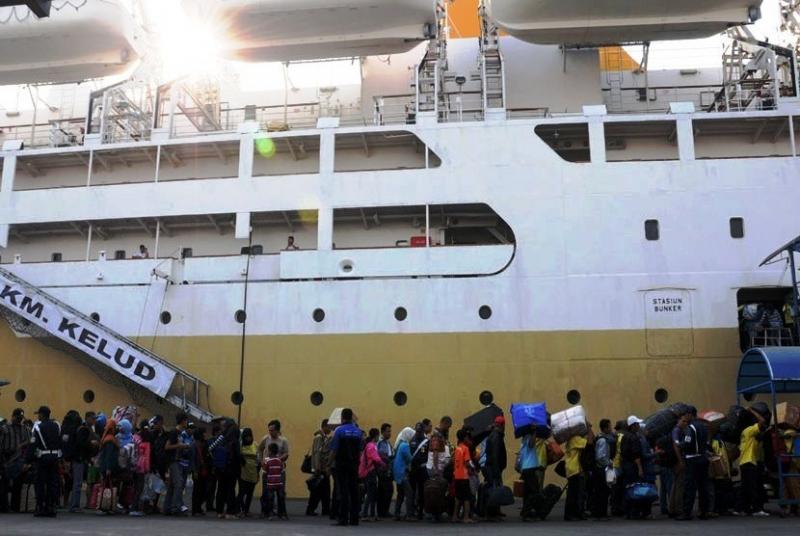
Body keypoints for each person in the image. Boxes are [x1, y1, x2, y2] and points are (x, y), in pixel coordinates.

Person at [734, 408, 770, 517]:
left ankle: (740, 509)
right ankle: (756, 509)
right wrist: (753, 411)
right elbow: (763, 422)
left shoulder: (747, 431)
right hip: (749, 462)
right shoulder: (749, 430)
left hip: (747, 462)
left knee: (745, 487)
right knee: (753, 487)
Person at [330, 408, 363, 527]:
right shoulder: (359, 431)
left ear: (342, 417)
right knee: (354, 491)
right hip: (354, 465)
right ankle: (354, 519)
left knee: (343, 491)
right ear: (352, 417)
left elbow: (334, 449)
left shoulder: (339, 430)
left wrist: (329, 463)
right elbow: (360, 450)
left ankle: (343, 519)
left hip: (341, 464)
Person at [679, 408, 711, 521]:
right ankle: (704, 511)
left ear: (689, 414)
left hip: (692, 460)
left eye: (684, 415)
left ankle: (686, 513)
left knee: (689, 487)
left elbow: (687, 443)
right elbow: (707, 443)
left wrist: (679, 444)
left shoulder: (690, 427)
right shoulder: (704, 426)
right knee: (703, 487)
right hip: (703, 458)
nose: (684, 418)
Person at [29, 406, 61, 517]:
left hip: (43, 458)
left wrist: (29, 459)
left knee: (40, 483)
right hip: (55, 457)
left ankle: (40, 507)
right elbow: (60, 441)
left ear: (42, 415)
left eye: (39, 414)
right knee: (52, 483)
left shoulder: (38, 427)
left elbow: (33, 444)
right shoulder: (56, 426)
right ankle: (51, 507)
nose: (38, 416)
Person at [1, 408, 31, 513]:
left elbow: (29, 446)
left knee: (17, 486)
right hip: (6, 461)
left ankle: (15, 506)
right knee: (4, 486)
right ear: (12, 416)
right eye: (17, 418)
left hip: (20, 462)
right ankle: (4, 507)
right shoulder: (4, 429)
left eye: (20, 418)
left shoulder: (26, 429)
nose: (19, 420)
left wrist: (27, 462)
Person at [163, 412, 192, 516]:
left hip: (177, 461)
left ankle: (167, 508)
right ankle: (175, 507)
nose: (187, 422)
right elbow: (167, 447)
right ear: (183, 421)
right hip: (173, 462)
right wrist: (180, 445)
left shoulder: (180, 433)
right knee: (179, 484)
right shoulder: (174, 432)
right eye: (186, 420)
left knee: (172, 485)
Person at [257, 420, 289, 514]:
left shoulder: (283, 440)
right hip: (267, 471)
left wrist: (277, 460)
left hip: (279, 471)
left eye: (272, 430)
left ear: (277, 430)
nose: (270, 432)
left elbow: (286, 454)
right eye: (269, 430)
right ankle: (265, 511)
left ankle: (281, 513)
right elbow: (259, 449)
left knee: (281, 493)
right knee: (266, 492)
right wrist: (261, 461)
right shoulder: (266, 439)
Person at [564, 424, 593, 521]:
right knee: (575, 493)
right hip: (575, 469)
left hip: (573, 468)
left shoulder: (572, 438)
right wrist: (589, 428)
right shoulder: (575, 439)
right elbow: (590, 441)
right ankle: (572, 514)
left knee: (575, 492)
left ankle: (574, 513)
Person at [620, 416, 647, 520]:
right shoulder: (634, 437)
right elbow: (636, 455)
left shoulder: (624, 436)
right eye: (637, 424)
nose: (639, 426)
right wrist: (640, 468)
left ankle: (628, 511)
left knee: (627, 488)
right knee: (635, 488)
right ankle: (634, 512)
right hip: (633, 466)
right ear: (633, 426)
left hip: (626, 466)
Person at [306, 419, 332, 517]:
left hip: (322, 468)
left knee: (323, 490)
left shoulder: (324, 437)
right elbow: (317, 453)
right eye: (329, 427)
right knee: (317, 491)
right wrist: (317, 468)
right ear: (324, 426)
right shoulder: (319, 437)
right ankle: (311, 509)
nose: (330, 429)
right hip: (320, 469)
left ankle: (325, 509)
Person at [360, 428, 386, 522]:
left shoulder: (371, 445)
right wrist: (383, 464)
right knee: (371, 494)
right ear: (375, 436)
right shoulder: (371, 446)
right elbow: (376, 458)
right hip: (370, 472)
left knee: (373, 493)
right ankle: (365, 514)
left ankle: (371, 514)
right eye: (378, 435)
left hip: (371, 472)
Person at [590, 419, 615, 519]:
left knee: (601, 492)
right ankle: (601, 513)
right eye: (609, 426)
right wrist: (609, 463)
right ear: (605, 428)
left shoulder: (600, 438)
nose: (611, 428)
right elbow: (600, 457)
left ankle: (600, 513)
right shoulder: (603, 440)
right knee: (603, 492)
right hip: (601, 470)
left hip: (600, 469)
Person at [669, 412, 691, 518]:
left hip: (678, 461)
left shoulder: (679, 430)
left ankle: (672, 508)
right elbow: (676, 446)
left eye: (686, 421)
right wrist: (680, 461)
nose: (685, 423)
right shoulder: (677, 430)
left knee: (676, 484)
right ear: (678, 420)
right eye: (683, 421)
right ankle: (678, 509)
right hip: (679, 461)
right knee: (680, 486)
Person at [453, 429, 476, 523]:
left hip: (457, 476)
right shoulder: (465, 448)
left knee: (458, 497)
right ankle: (466, 517)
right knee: (467, 497)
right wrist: (473, 469)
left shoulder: (457, 448)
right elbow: (467, 462)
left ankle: (455, 516)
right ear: (465, 438)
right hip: (464, 476)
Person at [393, 427, 415, 520]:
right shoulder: (405, 446)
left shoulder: (401, 444)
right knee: (409, 493)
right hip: (402, 473)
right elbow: (410, 458)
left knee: (400, 494)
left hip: (398, 472)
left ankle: (397, 514)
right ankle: (409, 515)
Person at [238, 428, 259, 517]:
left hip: (253, 471)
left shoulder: (255, 444)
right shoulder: (241, 445)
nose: (248, 439)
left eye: (249, 436)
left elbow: (258, 458)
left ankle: (246, 510)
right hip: (243, 471)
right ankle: (239, 509)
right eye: (246, 437)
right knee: (242, 492)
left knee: (250, 493)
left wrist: (258, 472)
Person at [191, 428, 211, 516]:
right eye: (203, 433)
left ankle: (198, 507)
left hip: (204, 470)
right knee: (197, 491)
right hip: (198, 470)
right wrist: (194, 471)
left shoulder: (204, 444)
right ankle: (195, 509)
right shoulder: (194, 445)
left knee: (203, 490)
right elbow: (193, 460)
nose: (205, 435)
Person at [376, 423, 394, 518]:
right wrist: (389, 458)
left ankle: (384, 511)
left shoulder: (387, 442)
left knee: (387, 491)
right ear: (382, 432)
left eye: (390, 431)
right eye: (388, 431)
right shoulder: (380, 442)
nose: (390, 433)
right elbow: (381, 455)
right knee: (385, 491)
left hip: (388, 470)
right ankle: (382, 511)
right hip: (383, 470)